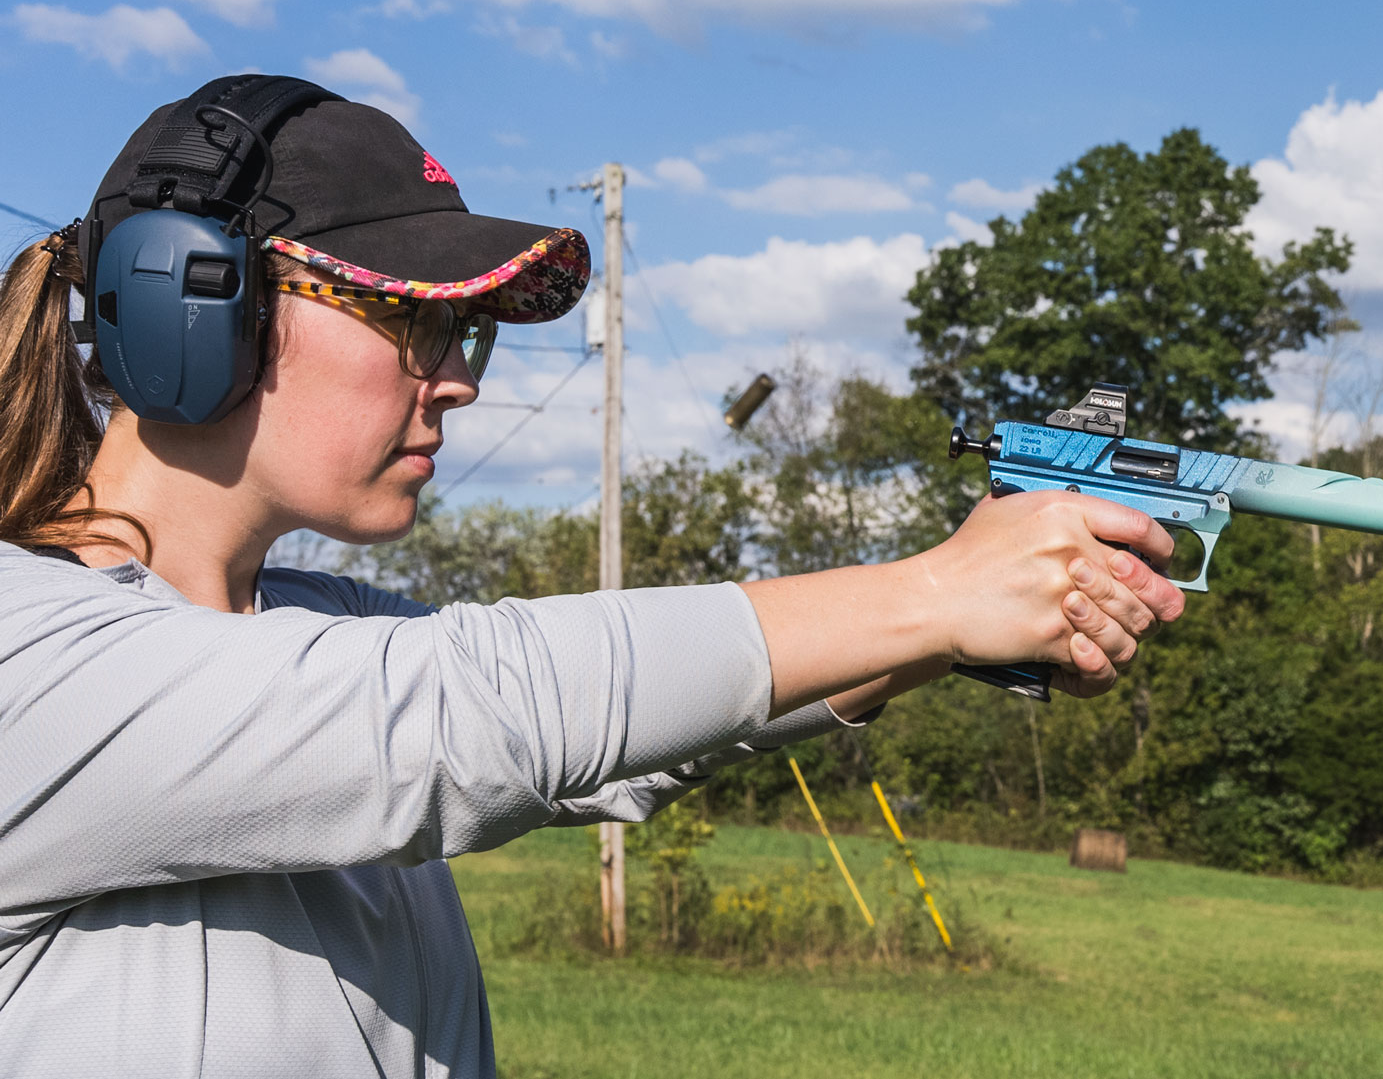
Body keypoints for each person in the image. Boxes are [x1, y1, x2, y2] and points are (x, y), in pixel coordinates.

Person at [0, 77, 1184, 1077]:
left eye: (470, 334)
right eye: (415, 319)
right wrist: (934, 592)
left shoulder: (301, 626)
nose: (459, 378)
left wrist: (952, 622)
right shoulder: (30, 650)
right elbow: (482, 710)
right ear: (192, 302)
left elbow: (602, 738)